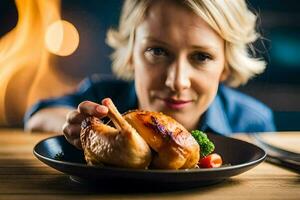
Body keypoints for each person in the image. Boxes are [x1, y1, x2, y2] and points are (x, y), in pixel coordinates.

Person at [24, 0, 276, 149]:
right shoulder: (103, 97)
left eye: (201, 57)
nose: (177, 81)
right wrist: (79, 125)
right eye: (157, 51)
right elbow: (37, 117)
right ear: (131, 53)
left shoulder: (254, 123)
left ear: (226, 65)